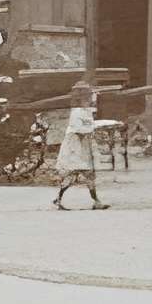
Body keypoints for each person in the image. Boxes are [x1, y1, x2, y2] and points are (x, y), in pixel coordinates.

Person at [52, 79, 108, 211]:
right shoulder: (77, 112)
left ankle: (95, 201)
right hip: (75, 146)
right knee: (78, 173)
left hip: (83, 146)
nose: (89, 99)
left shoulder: (86, 111)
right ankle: (60, 199)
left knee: (85, 174)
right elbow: (79, 129)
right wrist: (92, 130)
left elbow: (89, 124)